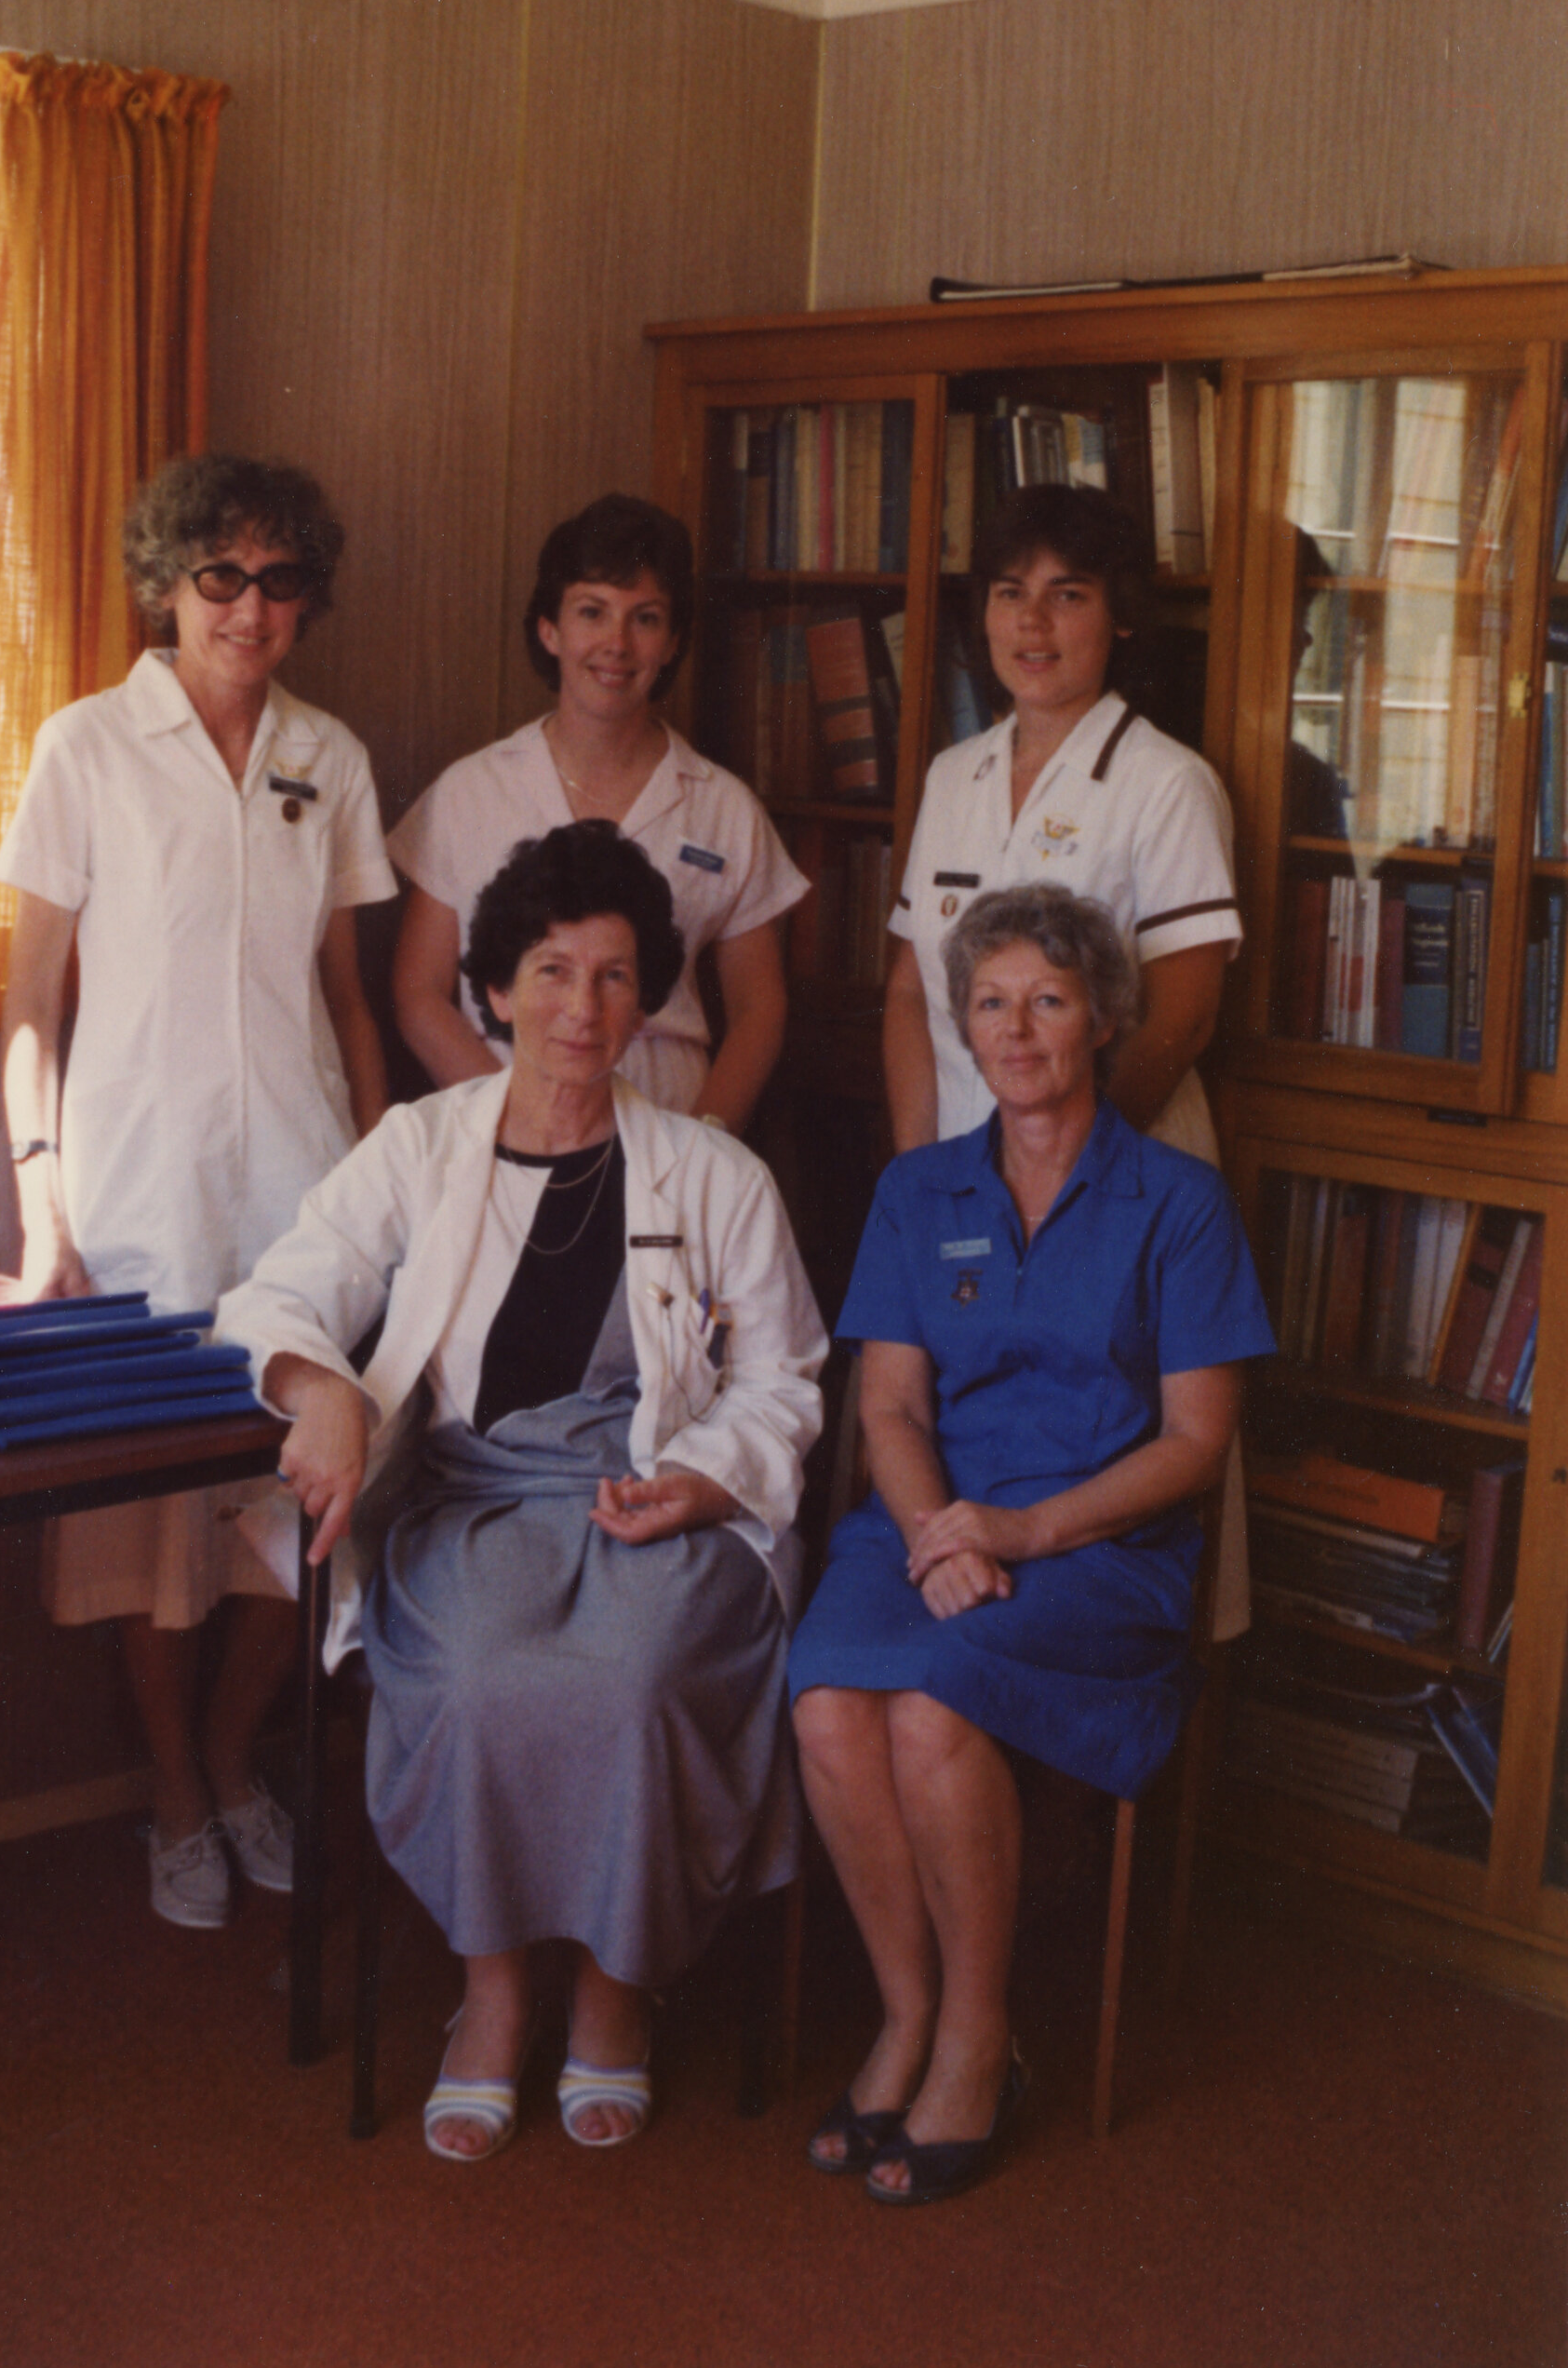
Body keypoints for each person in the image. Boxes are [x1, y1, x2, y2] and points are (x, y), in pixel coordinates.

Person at [216, 823, 826, 2159]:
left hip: (655, 1497)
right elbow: (282, 1287)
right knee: (483, 1673)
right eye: (551, 971)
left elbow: (785, 1377)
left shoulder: (713, 1170)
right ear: (494, 988)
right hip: (473, 1496)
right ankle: (491, 1994)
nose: (582, 1008)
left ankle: (617, 1987)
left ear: (648, 996)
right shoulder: (422, 1146)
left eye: (615, 976)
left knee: (644, 1674)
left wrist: (703, 1477)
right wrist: (319, 1382)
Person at [789, 885, 1273, 2206]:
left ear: (1105, 1017)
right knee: (832, 1700)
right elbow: (886, 1403)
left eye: (1050, 998)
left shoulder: (1176, 1201)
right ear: (961, 1022)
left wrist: (1023, 1528)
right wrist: (942, 1530)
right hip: (932, 1520)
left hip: (1102, 1547)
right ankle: (905, 2010)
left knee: (935, 1707)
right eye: (990, 1001)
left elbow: (1193, 1444)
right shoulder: (917, 1186)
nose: (1018, 1028)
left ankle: (979, 2035)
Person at [0, 453, 395, 1929]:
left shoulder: (329, 755)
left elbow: (348, 1001)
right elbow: (31, 1002)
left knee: (289, 1530)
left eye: (279, 580)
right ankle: (174, 1789)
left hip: (299, 1203)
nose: (248, 607)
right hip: (136, 1207)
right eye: (219, 576)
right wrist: (45, 1210)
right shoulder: (85, 747)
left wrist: (371, 1189)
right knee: (151, 1538)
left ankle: (237, 1760)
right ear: (168, 583)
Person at [388, 493, 806, 1131]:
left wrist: (703, 1142)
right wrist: (513, 1119)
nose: (616, 643)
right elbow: (419, 992)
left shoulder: (723, 806)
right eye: (592, 612)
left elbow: (760, 1008)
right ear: (549, 629)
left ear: (671, 643)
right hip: (502, 1131)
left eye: (645, 618)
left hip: (668, 1129)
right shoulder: (470, 791)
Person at [884, 484, 1241, 1158]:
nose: (1032, 623)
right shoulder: (952, 776)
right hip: (964, 1176)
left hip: (1115, 1177)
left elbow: (1183, 1020)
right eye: (1010, 592)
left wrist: (1066, 1172)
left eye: (1067, 595)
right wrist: (918, 1174)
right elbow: (909, 992)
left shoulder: (1168, 783)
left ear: (1122, 616)